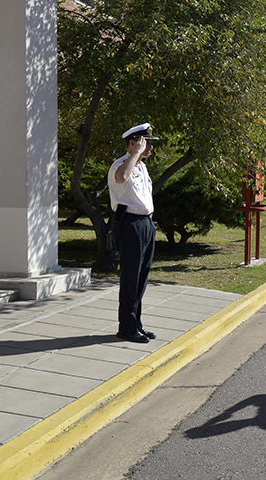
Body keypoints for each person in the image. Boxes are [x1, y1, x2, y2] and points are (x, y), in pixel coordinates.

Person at [108, 122, 160, 343]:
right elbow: (121, 178)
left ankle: (136, 323)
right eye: (146, 143)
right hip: (130, 225)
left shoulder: (141, 166)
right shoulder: (121, 165)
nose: (150, 148)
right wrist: (134, 154)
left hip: (145, 224)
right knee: (130, 277)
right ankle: (127, 327)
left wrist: (137, 157)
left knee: (141, 277)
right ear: (133, 143)